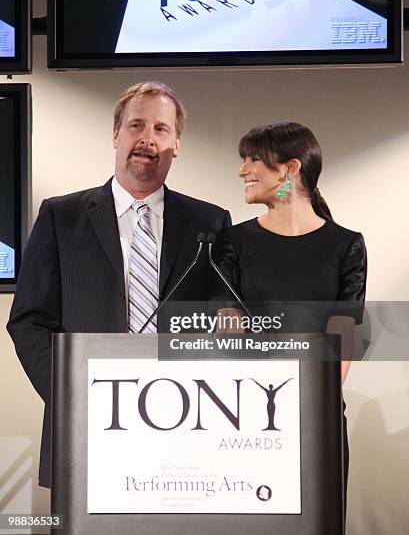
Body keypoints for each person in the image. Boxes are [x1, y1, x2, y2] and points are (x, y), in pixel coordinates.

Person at [7, 81, 231, 488]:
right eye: (136, 126)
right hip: (87, 428)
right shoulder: (62, 217)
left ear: (177, 143)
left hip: (186, 430)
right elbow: (28, 322)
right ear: (115, 134)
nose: (147, 139)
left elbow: (221, 323)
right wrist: (70, 397)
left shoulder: (211, 224)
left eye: (161, 129)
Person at [213, 122, 367, 500]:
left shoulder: (346, 246)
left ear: (290, 169)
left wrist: (310, 399)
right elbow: (227, 328)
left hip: (316, 417)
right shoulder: (231, 242)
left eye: (253, 160)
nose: (242, 170)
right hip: (244, 420)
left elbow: (341, 339)